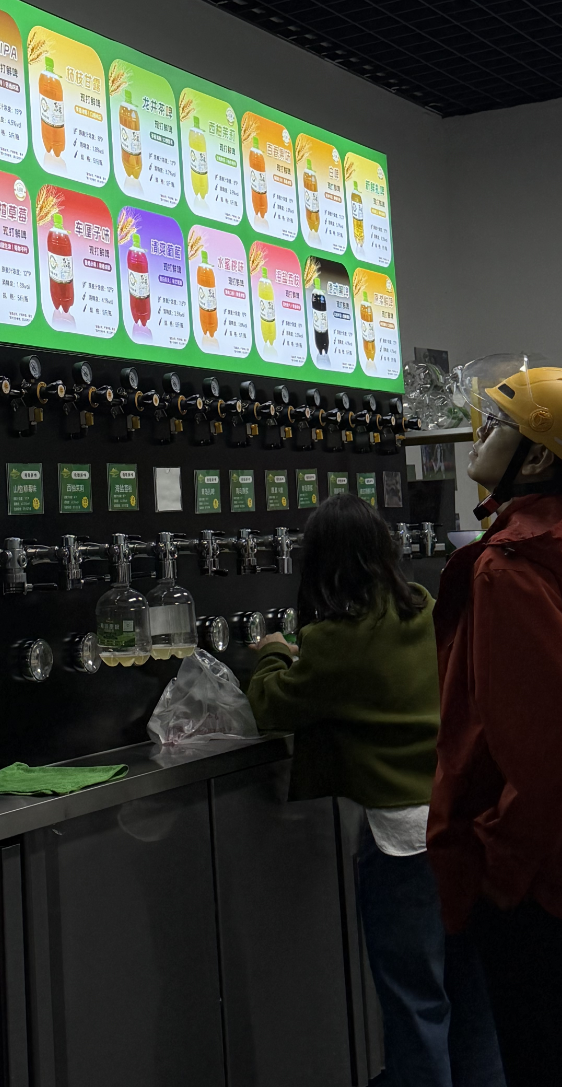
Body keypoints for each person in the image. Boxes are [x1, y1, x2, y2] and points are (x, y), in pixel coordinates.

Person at [247, 492, 503, 1087]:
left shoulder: (336, 640)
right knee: (472, 997)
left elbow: (271, 706)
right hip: (462, 824)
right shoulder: (425, 608)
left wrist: (273, 654)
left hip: (402, 844)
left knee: (414, 1002)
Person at [429, 356, 562, 1087]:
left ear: (536, 457)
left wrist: (499, 865)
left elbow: (539, 750)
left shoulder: (507, 568)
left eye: (498, 425)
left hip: (537, 884)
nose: (479, 436)